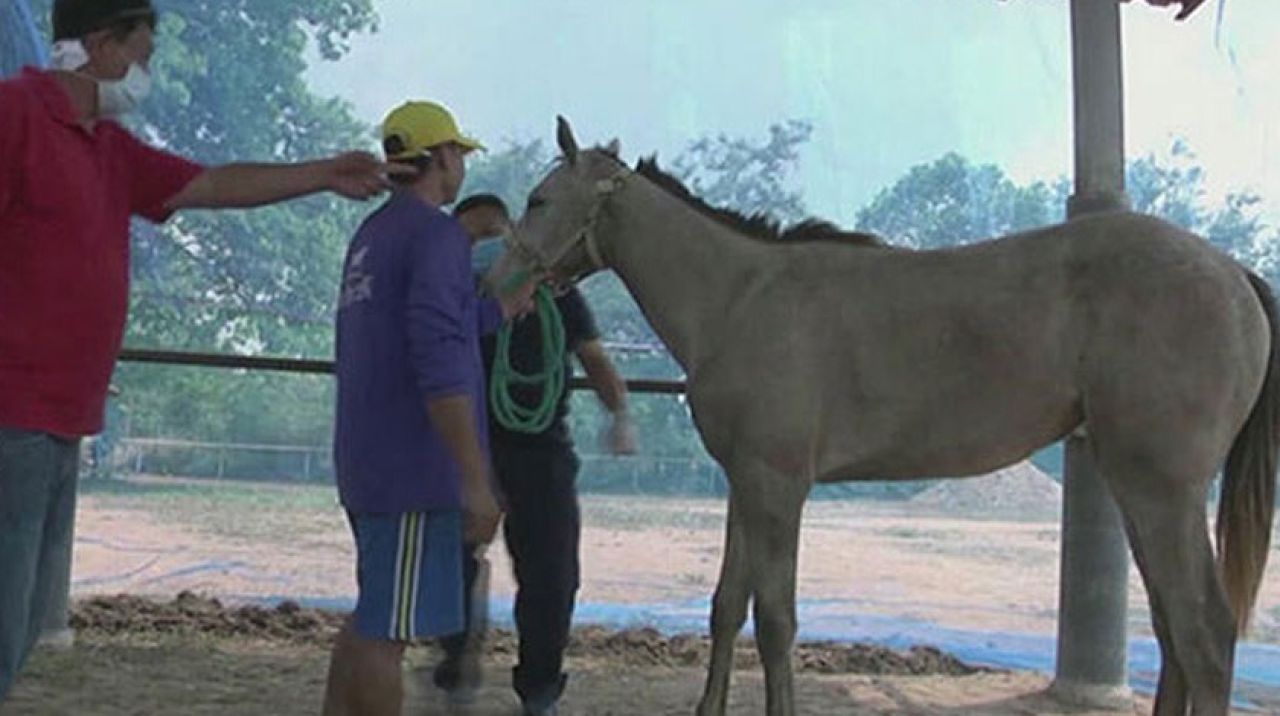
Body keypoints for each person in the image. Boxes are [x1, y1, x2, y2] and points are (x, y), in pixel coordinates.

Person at [0, 0, 404, 702]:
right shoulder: (14, 115)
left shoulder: (108, 145)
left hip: (61, 417)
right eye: (144, 53)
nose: (148, 72)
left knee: (20, 624)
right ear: (100, 45)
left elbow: (210, 184)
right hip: (11, 413)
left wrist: (322, 173)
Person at [322, 103, 536, 716]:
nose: (461, 166)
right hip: (415, 470)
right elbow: (438, 359)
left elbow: (421, 327)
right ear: (441, 157)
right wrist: (473, 479)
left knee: (374, 613)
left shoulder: (373, 236)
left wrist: (499, 310)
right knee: (385, 634)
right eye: (459, 155)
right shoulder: (438, 235)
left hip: (367, 461)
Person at [434, 194, 637, 716]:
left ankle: (540, 691)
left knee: (553, 576)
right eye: (478, 237)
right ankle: (455, 666)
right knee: (454, 560)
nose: (491, 246)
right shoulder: (455, 295)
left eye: (498, 233)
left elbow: (594, 359)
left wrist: (620, 415)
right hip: (471, 448)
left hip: (543, 452)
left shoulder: (558, 295)